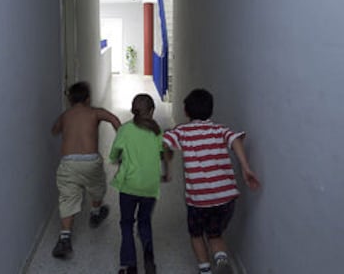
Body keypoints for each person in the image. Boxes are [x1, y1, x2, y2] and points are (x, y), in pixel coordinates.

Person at [162, 89, 261, 274]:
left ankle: (205, 270)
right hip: (226, 197)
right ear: (211, 111)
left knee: (197, 234)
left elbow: (164, 143)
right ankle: (221, 259)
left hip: (199, 200)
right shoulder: (220, 129)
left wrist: (166, 148)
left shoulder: (182, 131)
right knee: (215, 235)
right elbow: (236, 140)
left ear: (186, 111)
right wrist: (246, 168)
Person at [51, 81, 121, 259]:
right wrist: (121, 139)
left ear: (69, 100)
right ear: (88, 99)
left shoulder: (66, 115)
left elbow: (55, 130)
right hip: (91, 161)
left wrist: (64, 125)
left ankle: (65, 238)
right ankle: (95, 213)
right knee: (97, 187)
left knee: (67, 197)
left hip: (68, 163)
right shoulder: (95, 112)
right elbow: (114, 119)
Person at [109, 94, 169, 274]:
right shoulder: (158, 131)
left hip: (129, 186)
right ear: (152, 111)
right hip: (150, 187)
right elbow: (163, 154)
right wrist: (165, 173)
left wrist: (117, 158)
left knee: (127, 223)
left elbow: (114, 154)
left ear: (133, 110)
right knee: (144, 222)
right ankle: (149, 258)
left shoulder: (125, 130)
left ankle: (130, 265)